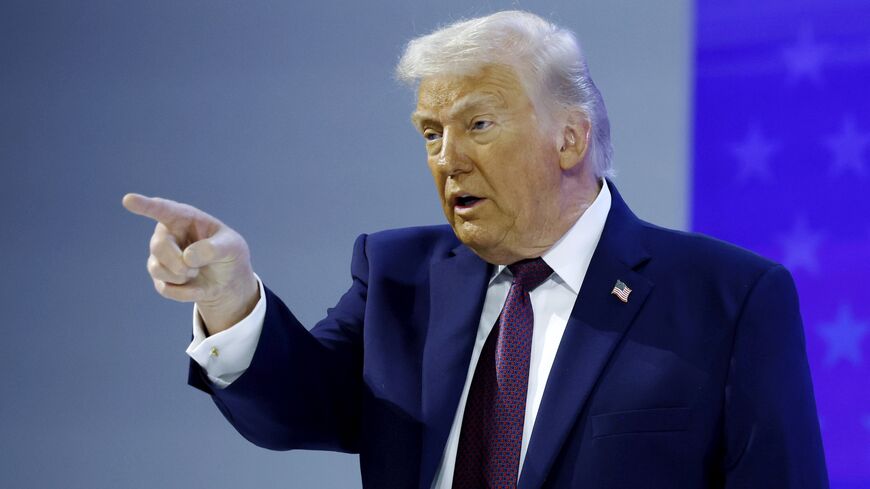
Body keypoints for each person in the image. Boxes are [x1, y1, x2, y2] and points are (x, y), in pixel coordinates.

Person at [123, 10, 828, 489]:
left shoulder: (726, 298)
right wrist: (227, 297)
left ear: (570, 138)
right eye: (431, 133)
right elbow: (293, 409)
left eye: (478, 124)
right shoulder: (399, 278)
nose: (447, 158)